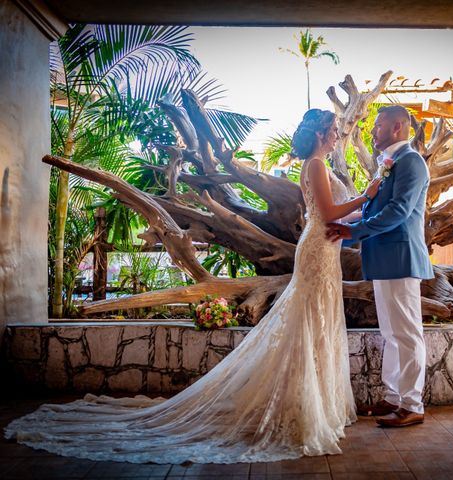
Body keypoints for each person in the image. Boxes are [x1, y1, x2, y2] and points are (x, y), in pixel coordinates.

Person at [4, 109, 381, 464]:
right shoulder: (315, 164)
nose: (337, 136)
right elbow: (329, 213)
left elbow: (336, 212)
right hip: (317, 248)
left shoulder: (319, 164)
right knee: (309, 323)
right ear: (319, 133)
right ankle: (302, 408)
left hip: (325, 249)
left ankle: (313, 405)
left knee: (317, 324)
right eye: (333, 131)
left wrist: (361, 209)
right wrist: (369, 193)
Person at [326, 105, 434, 428]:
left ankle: (413, 405)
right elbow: (373, 211)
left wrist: (354, 231)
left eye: (379, 124)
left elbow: (398, 211)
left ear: (398, 127)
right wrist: (340, 228)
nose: (373, 130)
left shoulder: (411, 162)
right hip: (383, 259)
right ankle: (392, 396)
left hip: (401, 258)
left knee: (408, 333)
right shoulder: (387, 164)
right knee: (390, 332)